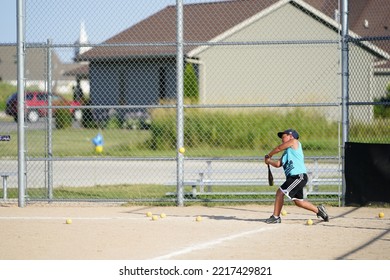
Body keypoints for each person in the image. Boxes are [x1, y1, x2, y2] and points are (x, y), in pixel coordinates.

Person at [264, 129, 329, 224]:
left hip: (298, 176)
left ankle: (276, 217)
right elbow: (278, 164)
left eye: (283, 136)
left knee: (280, 192)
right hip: (293, 178)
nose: (282, 139)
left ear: (291, 136)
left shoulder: (294, 142)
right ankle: (319, 211)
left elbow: (279, 148)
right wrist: (269, 161)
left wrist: (269, 155)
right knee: (299, 202)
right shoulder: (286, 153)